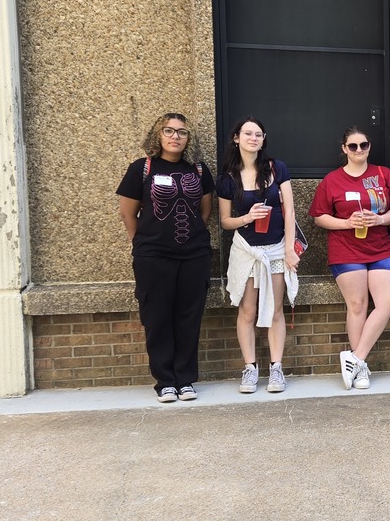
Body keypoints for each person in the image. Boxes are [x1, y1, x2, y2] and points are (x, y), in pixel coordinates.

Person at [116, 112, 214, 403]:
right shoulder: (141, 169)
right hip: (153, 257)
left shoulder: (198, 170)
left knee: (188, 317)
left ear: (189, 138)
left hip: (193, 256)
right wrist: (145, 242)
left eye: (182, 132)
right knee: (157, 317)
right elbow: (127, 213)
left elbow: (204, 211)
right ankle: (165, 381)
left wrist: (190, 239)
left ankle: (185, 380)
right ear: (158, 135)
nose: (175, 137)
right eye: (169, 131)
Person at [310, 127, 390, 390]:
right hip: (345, 249)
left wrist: (381, 219)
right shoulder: (332, 180)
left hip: (380, 247)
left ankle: (356, 359)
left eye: (364, 145)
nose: (359, 150)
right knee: (358, 304)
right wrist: (346, 222)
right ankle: (361, 370)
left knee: (387, 302)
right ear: (344, 149)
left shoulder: (383, 174)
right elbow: (319, 216)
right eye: (353, 146)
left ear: (369, 147)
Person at [217, 117, 300, 394]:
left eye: (259, 134)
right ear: (236, 138)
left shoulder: (278, 169)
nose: (254, 138)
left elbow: (289, 211)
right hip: (246, 251)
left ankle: (276, 368)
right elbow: (225, 221)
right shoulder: (228, 178)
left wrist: (290, 249)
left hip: (276, 249)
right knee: (248, 310)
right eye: (248, 133)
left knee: (276, 309)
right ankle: (250, 368)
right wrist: (247, 217)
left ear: (263, 139)